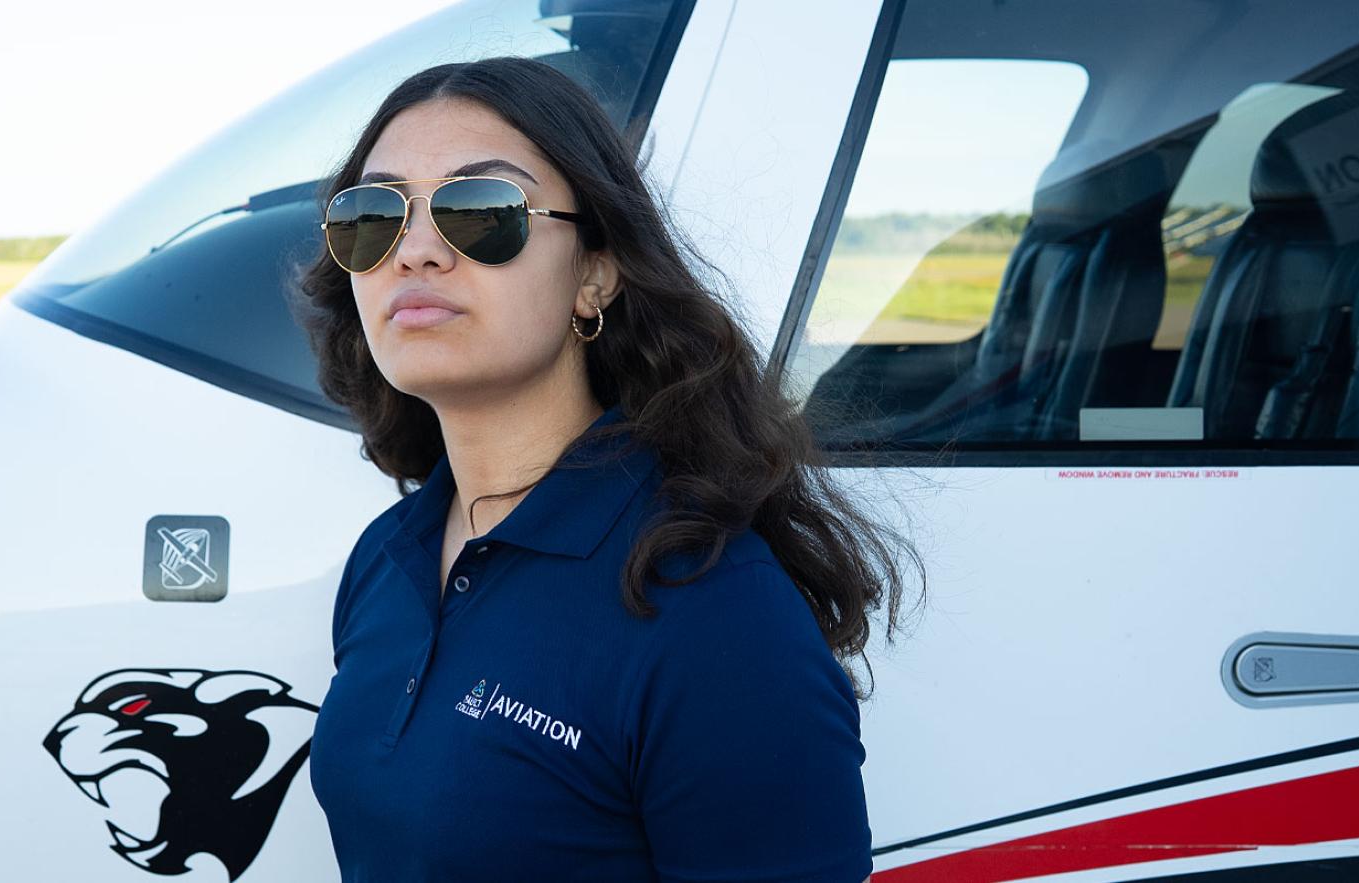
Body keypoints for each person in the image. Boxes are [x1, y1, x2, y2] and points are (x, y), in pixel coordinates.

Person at [294, 55, 921, 883]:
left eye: (482, 208)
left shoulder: (711, 611)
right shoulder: (388, 557)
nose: (413, 251)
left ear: (595, 273)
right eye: (372, 215)